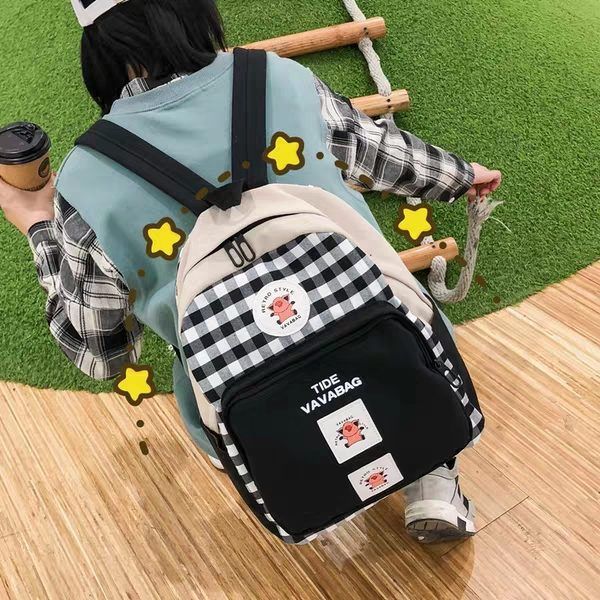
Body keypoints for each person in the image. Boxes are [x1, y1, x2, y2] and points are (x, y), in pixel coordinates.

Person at [0, 0, 501, 543]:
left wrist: (38, 226)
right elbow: (377, 152)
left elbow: (102, 355)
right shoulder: (279, 79)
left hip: (248, 399)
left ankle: (313, 486)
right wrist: (460, 176)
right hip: (378, 330)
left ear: (96, 45)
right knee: (407, 354)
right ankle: (432, 479)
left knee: (263, 438)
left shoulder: (85, 178)